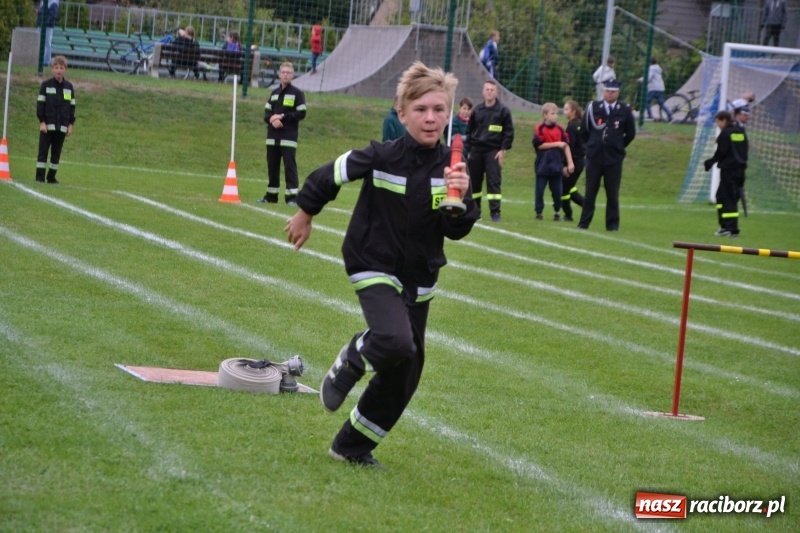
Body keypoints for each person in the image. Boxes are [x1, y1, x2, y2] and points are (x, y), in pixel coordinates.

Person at [284, 61, 478, 468]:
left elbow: (454, 228)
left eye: (439, 110)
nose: (430, 118)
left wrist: (461, 199)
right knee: (392, 341)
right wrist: (305, 211)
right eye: (421, 109)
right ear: (401, 111)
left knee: (406, 368)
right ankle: (354, 355)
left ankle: (351, 446)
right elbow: (331, 174)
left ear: (449, 114)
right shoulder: (382, 155)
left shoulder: (451, 170)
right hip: (372, 261)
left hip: (419, 277)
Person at [578, 79, 636, 231]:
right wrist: (590, 147)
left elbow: (630, 133)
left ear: (618, 92)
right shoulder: (593, 107)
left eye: (613, 91)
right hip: (594, 157)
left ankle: (612, 225)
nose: (610, 94)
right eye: (607, 91)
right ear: (603, 91)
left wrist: (617, 146)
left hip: (613, 159)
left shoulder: (624, 109)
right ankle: (584, 223)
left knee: (612, 193)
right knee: (590, 191)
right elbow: (584, 131)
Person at [465, 79, 514, 222]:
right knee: (474, 182)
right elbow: (470, 131)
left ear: (496, 92)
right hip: (476, 151)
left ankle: (495, 212)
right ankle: (475, 211)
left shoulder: (503, 111)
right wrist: (469, 149)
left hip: (493, 150)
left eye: (492, 90)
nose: (489, 92)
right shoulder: (477, 110)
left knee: (494, 181)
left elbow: (509, 132)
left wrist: (503, 149)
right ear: (483, 91)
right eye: (487, 89)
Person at [259, 62, 307, 206]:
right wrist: (272, 120)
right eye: (283, 72)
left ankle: (292, 197)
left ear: (292, 75)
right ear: (279, 74)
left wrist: (282, 117)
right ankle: (271, 196)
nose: (285, 74)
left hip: (288, 137)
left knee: (289, 166)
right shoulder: (274, 93)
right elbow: (267, 113)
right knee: (272, 166)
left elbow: (301, 112)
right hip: (272, 137)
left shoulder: (297, 93)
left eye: (288, 72)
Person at [704, 109, 748, 237]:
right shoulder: (741, 132)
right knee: (721, 197)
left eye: (718, 121)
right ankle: (725, 226)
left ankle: (733, 229)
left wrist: (710, 162)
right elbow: (745, 151)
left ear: (724, 120)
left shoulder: (725, 133)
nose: (718, 124)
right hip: (740, 171)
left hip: (729, 171)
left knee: (728, 199)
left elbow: (721, 152)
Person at [36, 55, 75, 184]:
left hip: (61, 127)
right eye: (56, 67)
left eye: (61, 68)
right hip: (47, 127)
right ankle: (39, 178)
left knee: (56, 154)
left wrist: (70, 124)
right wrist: (42, 122)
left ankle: (51, 177)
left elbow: (71, 106)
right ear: (52, 69)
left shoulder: (69, 87)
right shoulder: (46, 85)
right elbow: (40, 104)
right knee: (43, 152)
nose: (59, 70)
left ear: (65, 69)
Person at [532, 103, 574, 221]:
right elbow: (539, 145)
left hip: (556, 166)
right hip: (543, 165)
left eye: (557, 113)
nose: (556, 116)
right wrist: (557, 144)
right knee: (539, 190)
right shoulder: (540, 128)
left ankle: (557, 211)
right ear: (545, 115)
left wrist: (570, 162)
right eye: (553, 113)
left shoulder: (560, 129)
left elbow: (566, 146)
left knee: (557, 191)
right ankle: (539, 212)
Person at [561, 100, 585, 222]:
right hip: (580, 161)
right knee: (570, 187)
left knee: (564, 189)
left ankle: (568, 214)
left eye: (566, 109)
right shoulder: (580, 124)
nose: (564, 111)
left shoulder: (571, 126)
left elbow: (570, 146)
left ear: (573, 111)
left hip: (574, 162)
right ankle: (586, 204)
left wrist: (566, 164)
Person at [640, 57, 672, 122]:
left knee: (647, 101)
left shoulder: (651, 68)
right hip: (660, 88)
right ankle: (670, 115)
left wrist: (641, 80)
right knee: (661, 103)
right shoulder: (659, 68)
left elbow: (648, 77)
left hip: (653, 88)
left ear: (649, 62)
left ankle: (650, 115)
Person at [36, 0, 60, 67]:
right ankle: (40, 60)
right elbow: (42, 12)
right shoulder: (44, 2)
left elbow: (52, 16)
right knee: (41, 43)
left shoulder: (53, 3)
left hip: (47, 27)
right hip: (41, 25)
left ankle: (46, 61)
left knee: (47, 44)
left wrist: (45, 23)